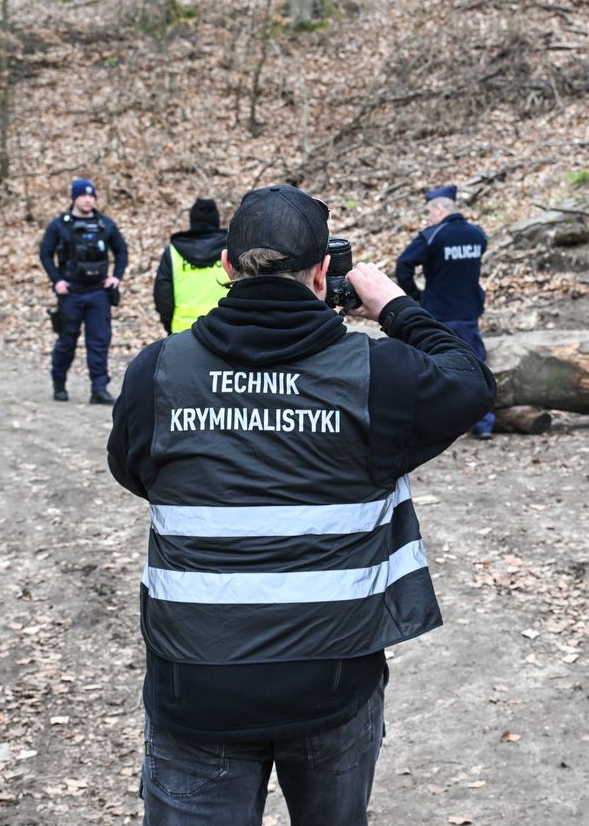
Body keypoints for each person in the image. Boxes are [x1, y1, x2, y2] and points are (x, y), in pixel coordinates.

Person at [107, 184, 495, 824]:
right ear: (323, 273)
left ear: (226, 270)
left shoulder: (158, 372)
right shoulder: (378, 376)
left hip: (195, 686)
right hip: (333, 680)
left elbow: (137, 472)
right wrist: (395, 306)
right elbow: (471, 381)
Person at [394, 183, 495, 439]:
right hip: (469, 311)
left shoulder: (432, 236)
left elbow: (404, 264)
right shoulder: (477, 235)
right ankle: (483, 424)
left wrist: (415, 296)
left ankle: (436, 423)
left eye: (430, 212)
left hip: (438, 312)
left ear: (439, 209)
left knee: (434, 365)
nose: (429, 217)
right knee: (476, 365)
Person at [39, 177, 128, 405]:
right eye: (83, 195)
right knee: (66, 341)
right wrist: (56, 281)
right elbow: (45, 254)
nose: (88, 200)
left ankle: (99, 388)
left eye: (92, 196)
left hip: (98, 293)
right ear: (74, 198)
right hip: (71, 293)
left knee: (99, 342)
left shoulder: (105, 225)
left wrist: (116, 277)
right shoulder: (60, 225)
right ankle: (59, 383)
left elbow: (121, 251)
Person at [153, 198, 229, 335]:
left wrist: (168, 325)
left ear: (192, 220)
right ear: (216, 220)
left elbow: (163, 296)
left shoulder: (173, 252)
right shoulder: (230, 250)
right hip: (223, 331)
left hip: (182, 334)